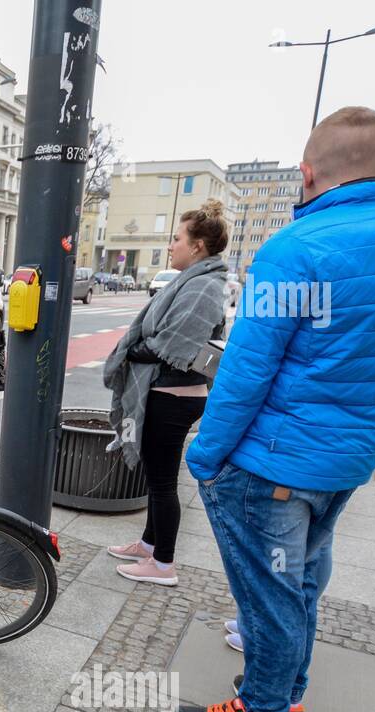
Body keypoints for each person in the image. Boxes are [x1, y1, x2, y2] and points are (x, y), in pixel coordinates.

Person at [177, 106, 375, 712]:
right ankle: (289, 698)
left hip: (270, 465)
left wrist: (206, 455)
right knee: (300, 581)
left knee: (270, 598)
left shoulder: (294, 251)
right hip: (345, 463)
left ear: (307, 173)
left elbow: (245, 372)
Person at [102, 200, 230, 586]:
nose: (171, 245)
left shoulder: (205, 287)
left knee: (162, 482)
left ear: (198, 246)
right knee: (156, 476)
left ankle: (163, 564)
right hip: (167, 391)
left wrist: (129, 350)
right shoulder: (191, 280)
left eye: (177, 238)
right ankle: (148, 544)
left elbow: (170, 345)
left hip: (175, 396)